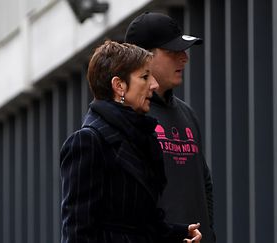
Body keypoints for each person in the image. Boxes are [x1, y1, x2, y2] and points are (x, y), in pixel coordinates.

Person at [60, 40, 202, 243]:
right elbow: (76, 232)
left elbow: (141, 221)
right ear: (119, 86)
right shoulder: (88, 142)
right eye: (145, 77)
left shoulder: (140, 136)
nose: (154, 84)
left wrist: (179, 233)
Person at [125, 12, 216, 243]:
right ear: (143, 57)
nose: (184, 58)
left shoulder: (187, 114)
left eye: (183, 50)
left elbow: (203, 184)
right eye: (173, 52)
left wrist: (210, 233)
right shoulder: (126, 117)